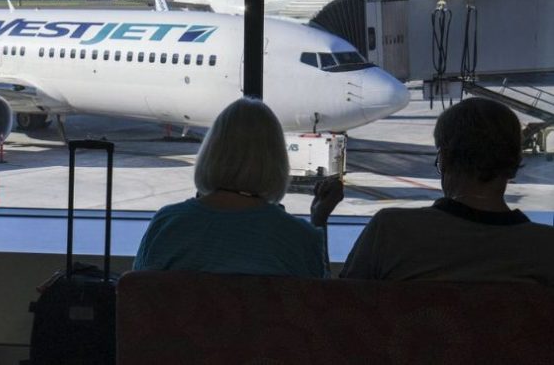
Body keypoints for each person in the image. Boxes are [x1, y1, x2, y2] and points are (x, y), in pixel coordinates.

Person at [341, 97, 554, 285]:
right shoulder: (545, 247)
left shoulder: (390, 231)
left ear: (444, 160)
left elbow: (342, 306)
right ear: (516, 164)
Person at [133, 98, 344, 277]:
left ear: (211, 153)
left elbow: (137, 300)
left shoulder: (167, 225)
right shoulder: (299, 239)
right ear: (276, 161)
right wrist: (319, 221)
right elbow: (319, 308)